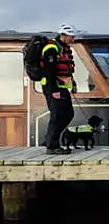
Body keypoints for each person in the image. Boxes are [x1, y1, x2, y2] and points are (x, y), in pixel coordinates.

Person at [40, 24, 77, 155]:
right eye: (71, 36)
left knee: (68, 114)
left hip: (62, 87)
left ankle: (50, 138)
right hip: (53, 87)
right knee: (57, 115)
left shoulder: (65, 48)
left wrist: (73, 84)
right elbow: (48, 70)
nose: (73, 39)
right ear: (64, 36)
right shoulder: (52, 48)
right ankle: (52, 146)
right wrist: (53, 89)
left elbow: (67, 69)